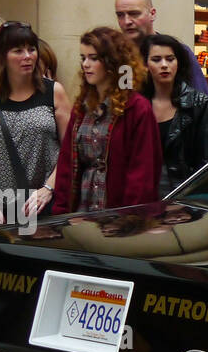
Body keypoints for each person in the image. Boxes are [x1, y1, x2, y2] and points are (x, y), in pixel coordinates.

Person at [48, 26, 161, 219]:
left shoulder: (136, 109)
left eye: (93, 58)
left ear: (112, 62)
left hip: (119, 216)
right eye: (83, 58)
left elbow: (142, 174)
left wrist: (128, 220)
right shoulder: (81, 108)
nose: (86, 64)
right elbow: (67, 164)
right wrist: (61, 214)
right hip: (81, 214)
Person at [0, 20, 70, 224]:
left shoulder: (53, 92)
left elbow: (70, 150)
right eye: (17, 51)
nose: (27, 56)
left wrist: (49, 188)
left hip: (42, 203)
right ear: (2, 56)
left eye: (31, 49)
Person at [140, 32, 208, 198]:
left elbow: (207, 161)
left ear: (178, 62)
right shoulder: (137, 105)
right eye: (156, 59)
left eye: (170, 59)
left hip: (184, 196)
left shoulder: (198, 103)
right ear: (145, 64)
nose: (164, 65)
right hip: (144, 198)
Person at [114, 0, 208, 95]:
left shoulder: (178, 52)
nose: (127, 21)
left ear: (152, 14)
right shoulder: (115, 55)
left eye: (134, 14)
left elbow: (201, 101)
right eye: (120, 15)